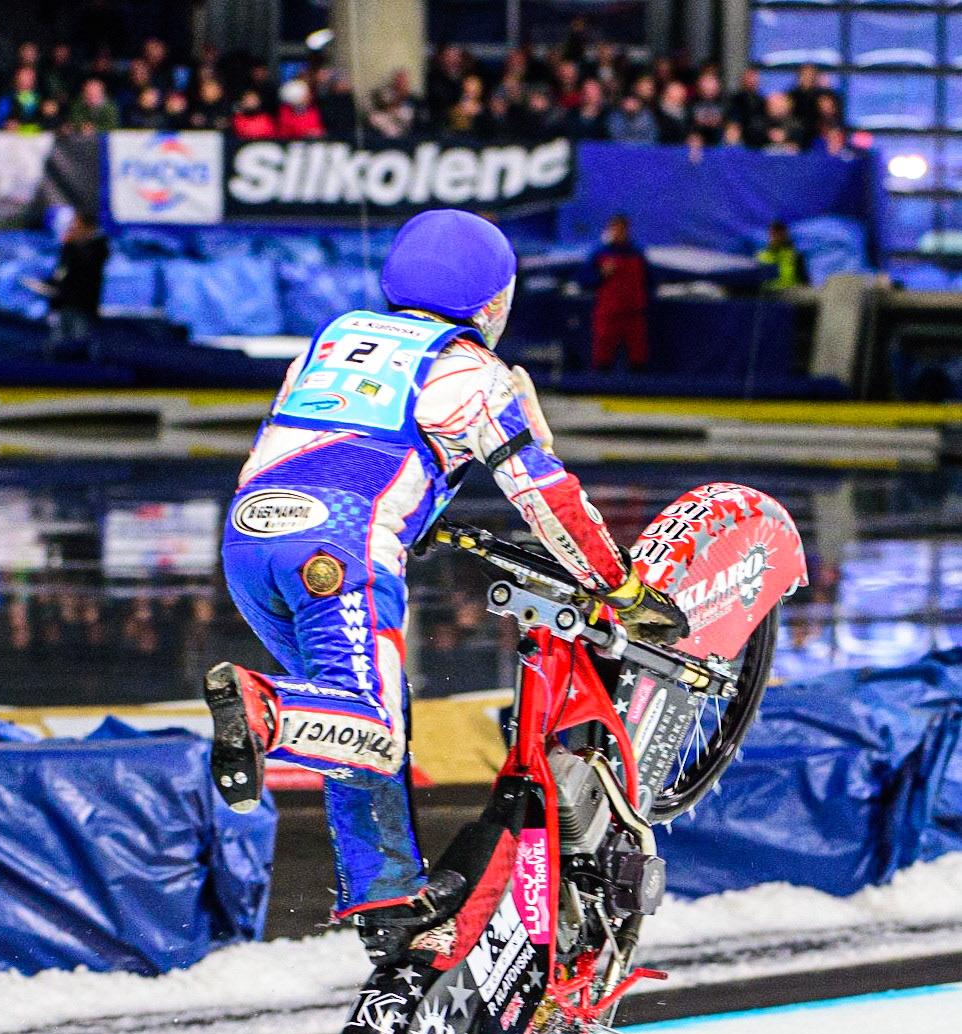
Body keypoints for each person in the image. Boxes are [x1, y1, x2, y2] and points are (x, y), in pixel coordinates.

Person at [205, 209, 687, 964]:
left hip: (248, 535)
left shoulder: (333, 338)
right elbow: (544, 494)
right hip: (341, 545)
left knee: (360, 718)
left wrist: (419, 510)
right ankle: (264, 709)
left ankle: (385, 894)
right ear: (494, 300)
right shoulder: (474, 372)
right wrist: (617, 586)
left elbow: (326, 441)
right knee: (367, 719)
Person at [588, 213, 649, 372]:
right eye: (616, 229)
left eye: (623, 229)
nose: (619, 233)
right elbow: (584, 280)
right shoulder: (599, 254)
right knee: (603, 354)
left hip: (633, 313)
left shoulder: (636, 254)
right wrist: (601, 274)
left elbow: (649, 281)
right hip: (608, 314)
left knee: (637, 355)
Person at [43, 209, 110, 352]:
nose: (73, 229)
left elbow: (85, 270)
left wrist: (72, 246)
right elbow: (61, 272)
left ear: (88, 228)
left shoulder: (98, 248)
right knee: (57, 343)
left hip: (82, 306)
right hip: (62, 304)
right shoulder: (69, 248)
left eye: (77, 226)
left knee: (79, 342)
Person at [758, 220, 809, 290]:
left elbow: (804, 279)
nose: (775, 237)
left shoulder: (794, 254)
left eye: (779, 234)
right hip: (768, 293)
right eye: (773, 234)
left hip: (791, 292)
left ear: (785, 234)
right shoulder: (762, 255)